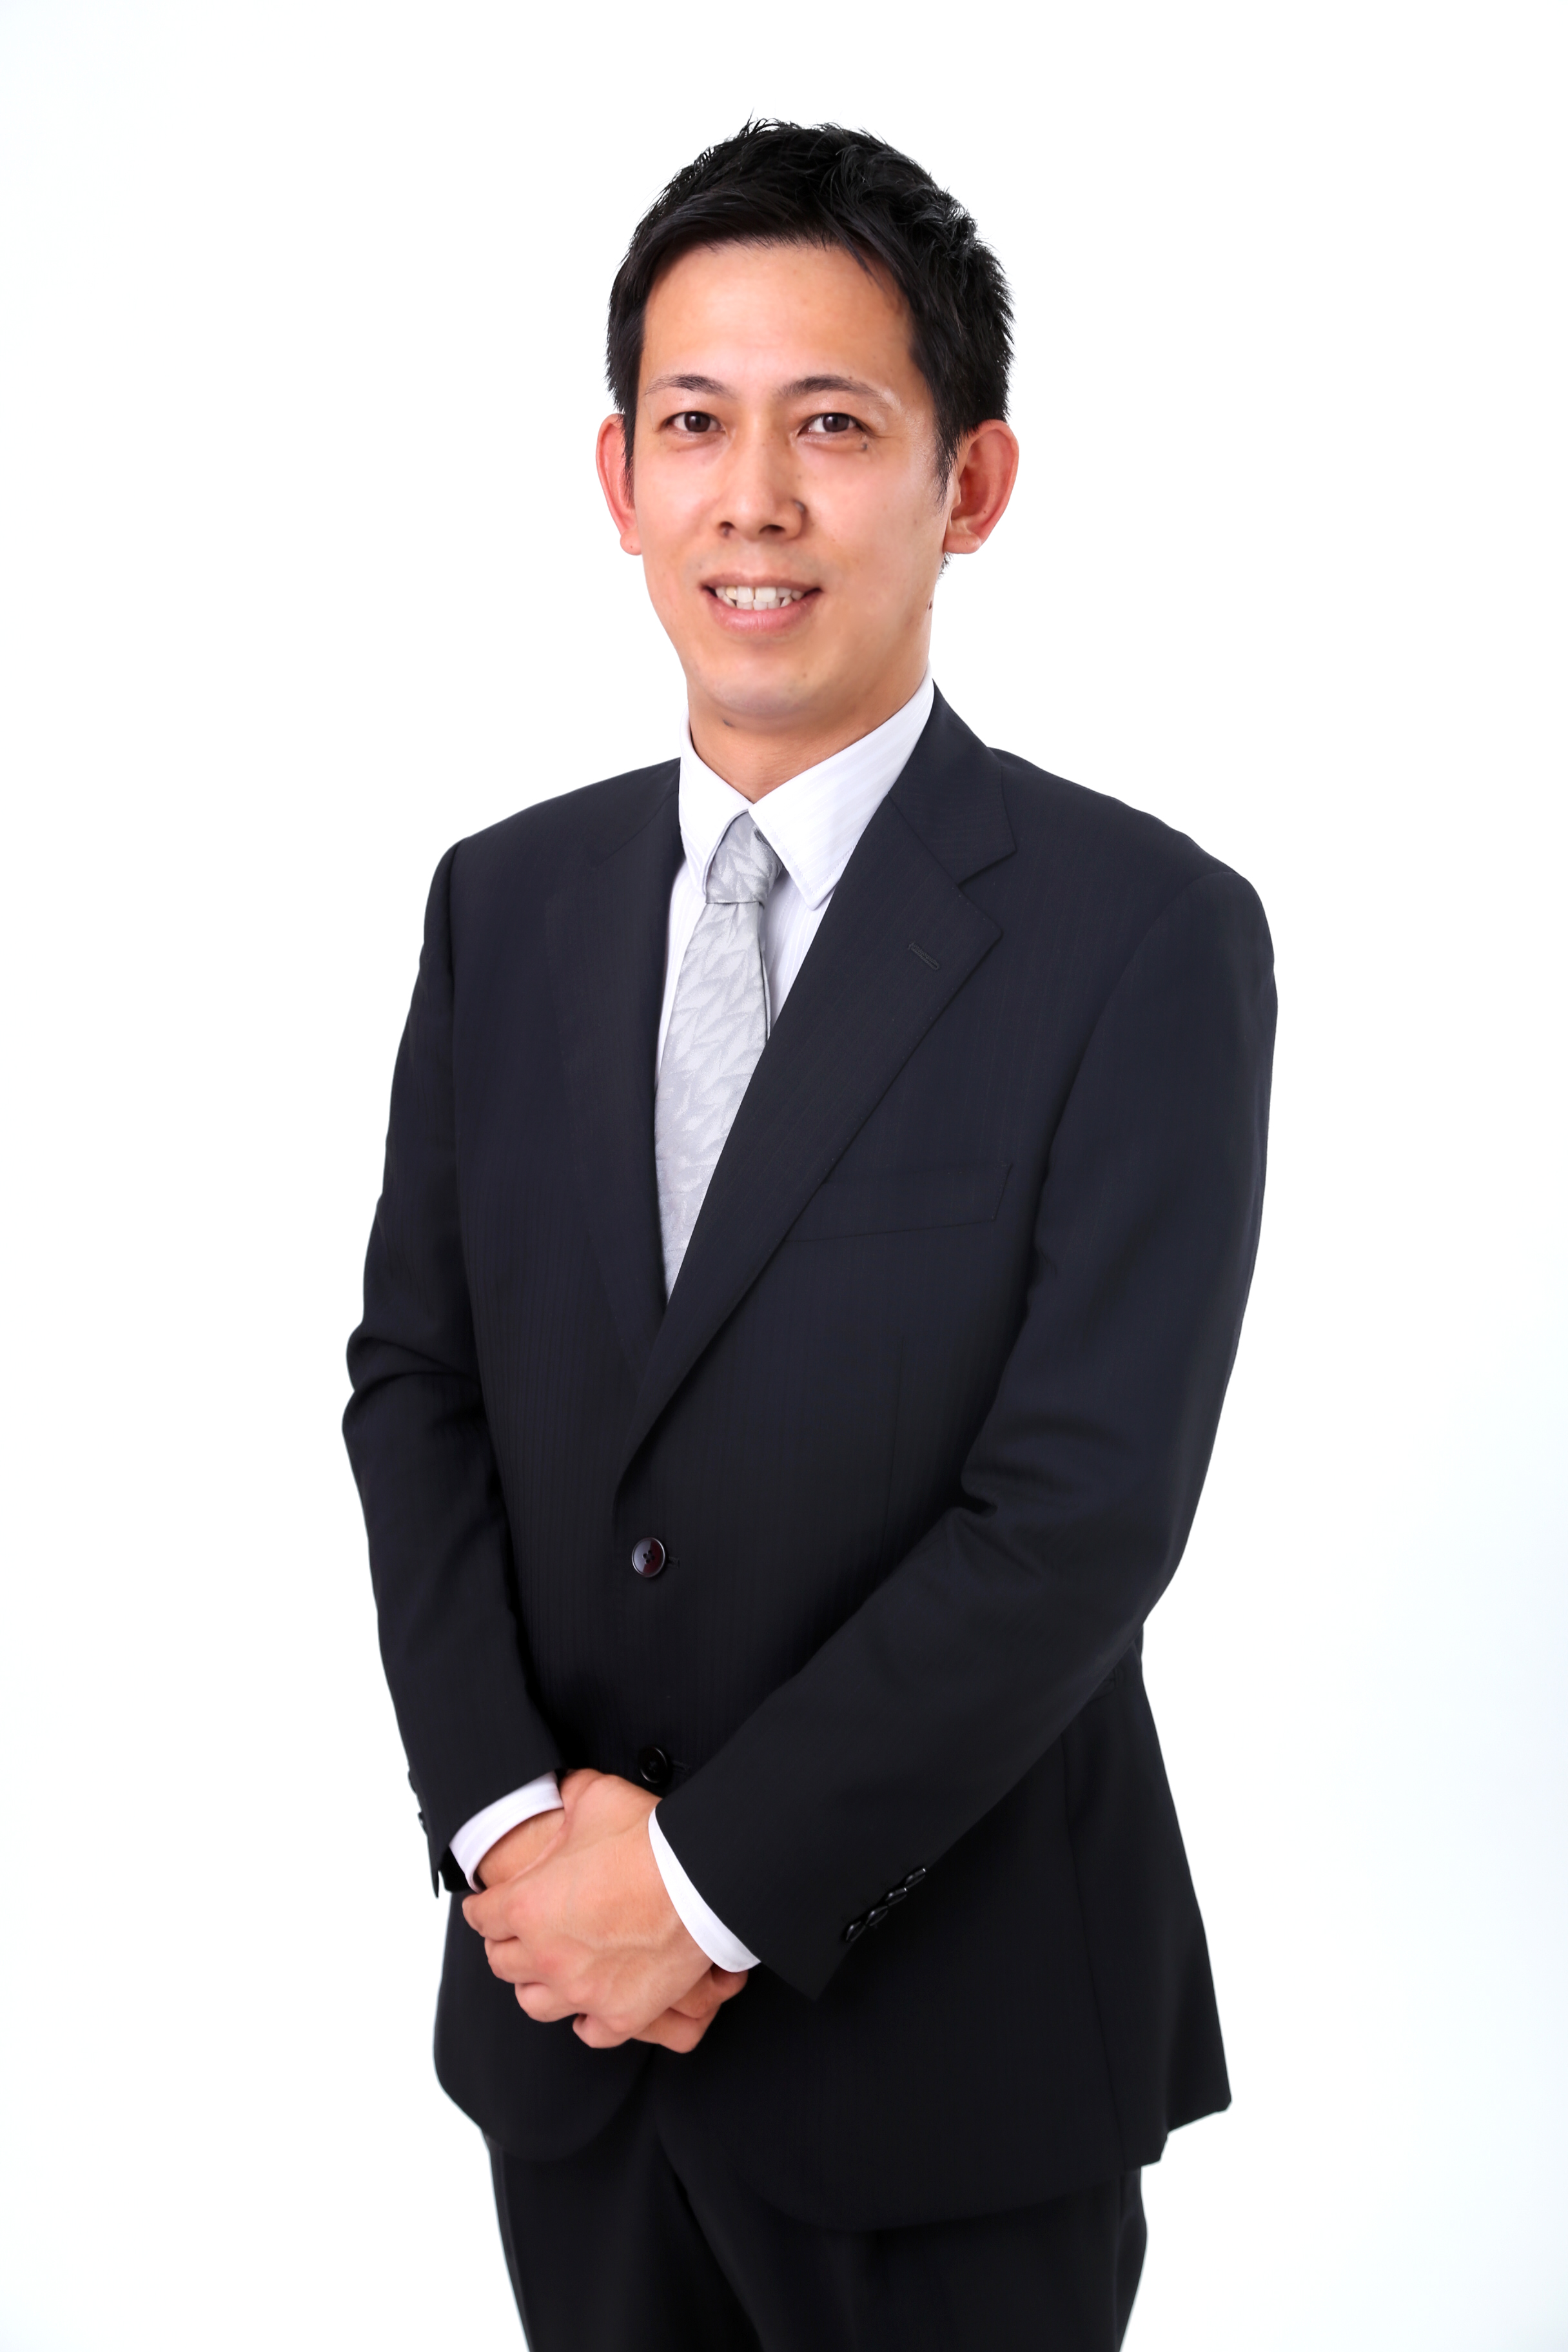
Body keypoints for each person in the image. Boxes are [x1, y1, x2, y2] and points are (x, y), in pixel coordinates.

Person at [344, 119, 1275, 2352]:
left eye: (834, 427)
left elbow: (1079, 1513)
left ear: (972, 485)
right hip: (570, 2043)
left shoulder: (1143, 934)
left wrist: (696, 1885)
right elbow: (419, 1387)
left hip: (950, 2067)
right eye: (696, 424)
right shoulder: (505, 904)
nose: (752, 498)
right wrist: (512, 1836)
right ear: (619, 477)